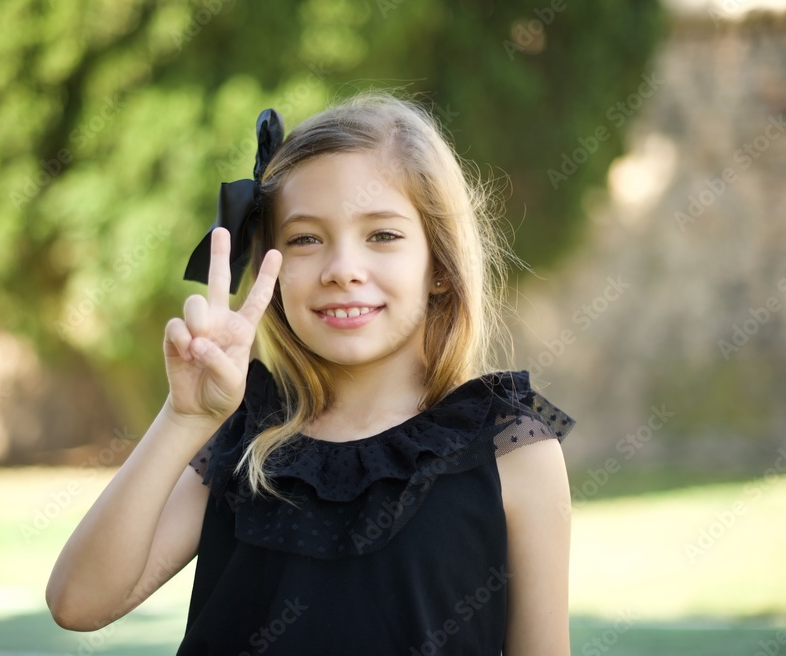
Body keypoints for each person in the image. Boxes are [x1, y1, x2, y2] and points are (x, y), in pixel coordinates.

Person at [46, 91, 576, 654]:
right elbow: (79, 603)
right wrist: (183, 419)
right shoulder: (245, 438)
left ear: (439, 265)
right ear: (271, 270)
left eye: (382, 235)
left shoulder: (512, 453)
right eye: (305, 239)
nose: (343, 270)